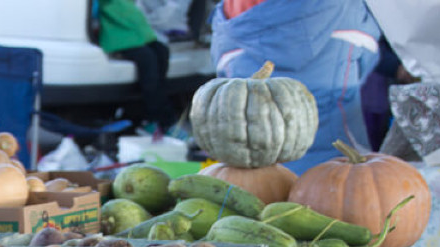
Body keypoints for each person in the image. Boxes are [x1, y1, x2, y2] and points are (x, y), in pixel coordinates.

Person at [209, 0, 382, 173]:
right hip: (340, 167)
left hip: (258, 175)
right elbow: (369, 60)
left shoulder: (233, 10)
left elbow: (226, 88)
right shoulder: (347, 11)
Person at [95, 0, 182, 137]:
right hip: (118, 33)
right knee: (149, 63)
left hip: (136, 30)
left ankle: (158, 119)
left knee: (161, 52)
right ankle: (159, 121)